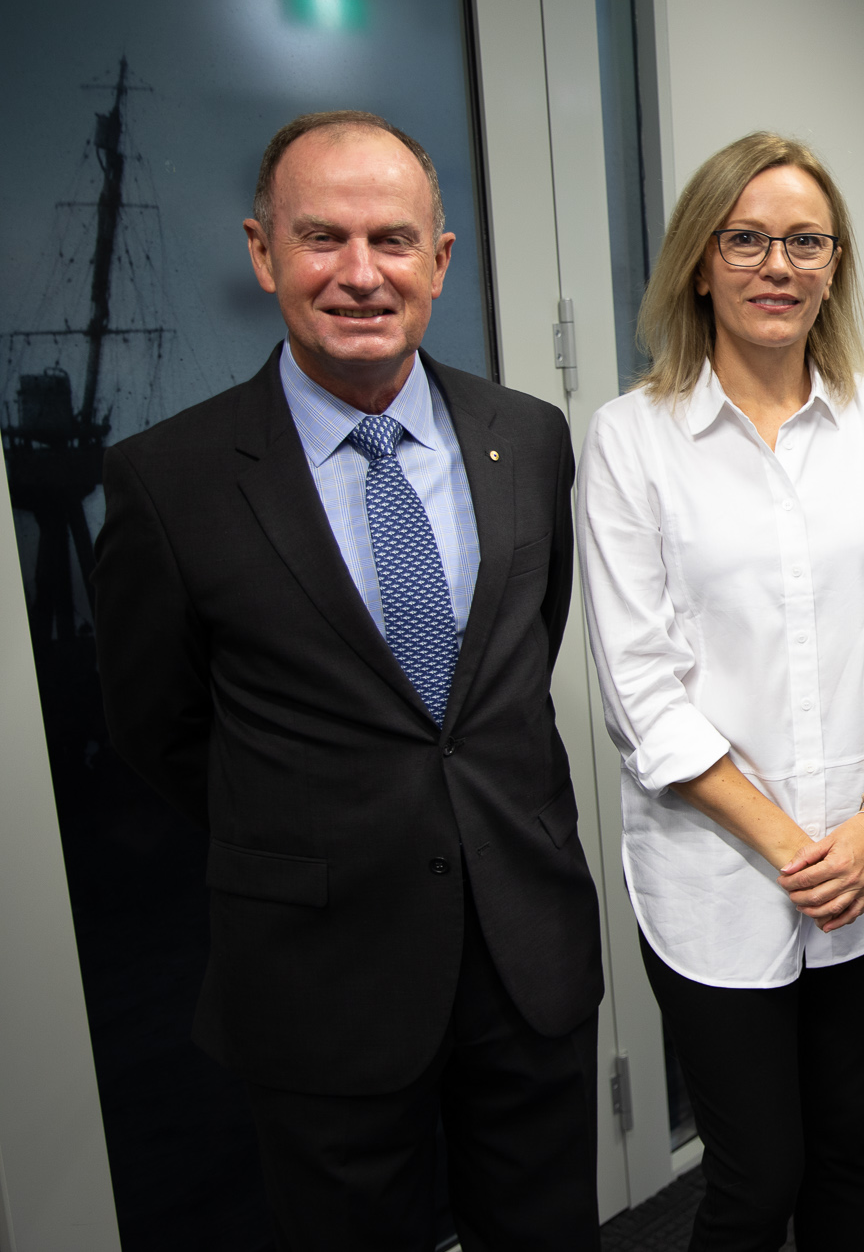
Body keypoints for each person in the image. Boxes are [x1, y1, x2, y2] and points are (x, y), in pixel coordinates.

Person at [94, 111, 603, 1248]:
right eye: (322, 237)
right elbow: (155, 727)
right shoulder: (168, 481)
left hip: (523, 946)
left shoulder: (527, 438)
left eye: (391, 239)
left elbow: (518, 648)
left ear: (441, 260)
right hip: (319, 973)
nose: (360, 274)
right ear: (263, 251)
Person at [577, 131, 864, 1250]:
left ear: (834, 264)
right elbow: (641, 694)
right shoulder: (631, 439)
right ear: (699, 262)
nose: (775, 265)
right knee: (756, 1177)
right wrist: (802, 847)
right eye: (744, 239)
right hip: (718, 877)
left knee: (843, 1151)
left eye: (804, 241)